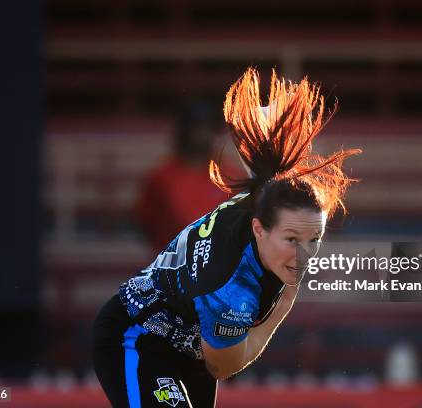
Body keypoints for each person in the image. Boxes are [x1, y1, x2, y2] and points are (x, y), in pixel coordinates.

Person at [92, 67, 361, 407]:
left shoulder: (261, 200)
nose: (304, 255)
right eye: (292, 240)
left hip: (191, 348)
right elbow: (222, 366)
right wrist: (283, 307)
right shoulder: (229, 286)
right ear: (259, 229)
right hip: (139, 340)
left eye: (315, 239)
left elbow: (271, 181)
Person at [135, 101, 230, 252]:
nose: (203, 135)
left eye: (209, 129)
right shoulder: (162, 177)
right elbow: (145, 221)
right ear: (184, 132)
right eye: (197, 128)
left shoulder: (230, 175)